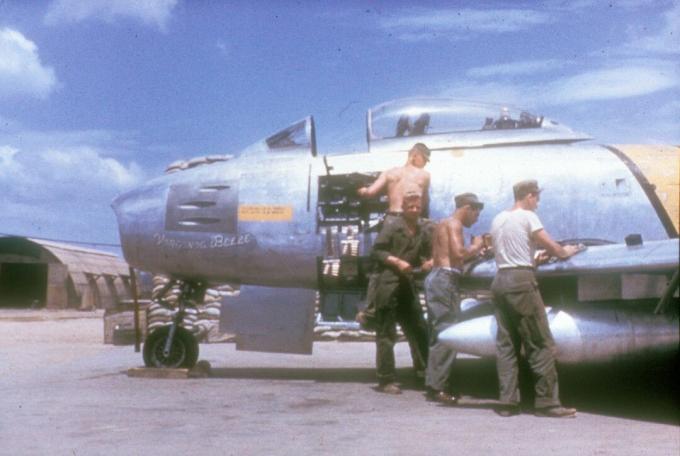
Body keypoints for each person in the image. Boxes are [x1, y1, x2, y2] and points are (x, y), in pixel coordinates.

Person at [490, 179, 581, 418]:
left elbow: (511, 251)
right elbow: (555, 248)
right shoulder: (528, 217)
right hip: (522, 282)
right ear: (529, 196)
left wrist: (532, 259)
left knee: (506, 344)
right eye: (537, 197)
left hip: (500, 280)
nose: (538, 203)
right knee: (540, 342)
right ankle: (548, 403)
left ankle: (508, 402)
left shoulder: (498, 219)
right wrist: (567, 251)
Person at [356, 143, 431, 329]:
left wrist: (359, 190)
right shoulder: (424, 175)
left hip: (391, 219)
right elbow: (424, 201)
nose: (425, 164)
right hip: (411, 218)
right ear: (415, 155)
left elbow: (370, 193)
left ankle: (371, 311)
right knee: (414, 258)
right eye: (425, 159)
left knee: (379, 266)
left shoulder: (389, 173)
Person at [424, 193, 485, 404]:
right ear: (467, 207)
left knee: (438, 333)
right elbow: (459, 254)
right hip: (445, 280)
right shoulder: (455, 224)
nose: (477, 217)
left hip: (437, 278)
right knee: (447, 331)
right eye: (476, 212)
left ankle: (434, 383)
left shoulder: (442, 224)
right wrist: (477, 246)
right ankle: (439, 388)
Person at [370, 188, 432, 394]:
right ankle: (385, 379)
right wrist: (397, 261)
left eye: (418, 207)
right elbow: (377, 251)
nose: (414, 210)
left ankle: (424, 372)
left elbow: (427, 253)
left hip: (407, 285)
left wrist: (427, 262)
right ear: (403, 208)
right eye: (410, 207)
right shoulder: (392, 226)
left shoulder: (423, 229)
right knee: (387, 334)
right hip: (388, 284)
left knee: (419, 328)